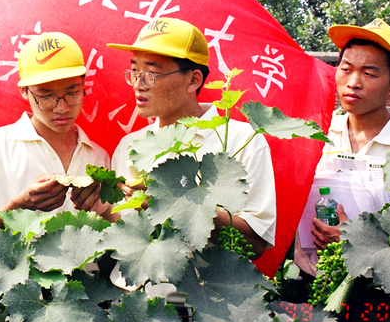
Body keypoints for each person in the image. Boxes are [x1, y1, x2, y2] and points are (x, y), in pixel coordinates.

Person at [107, 17, 276, 257]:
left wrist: (176, 202)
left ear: (193, 79)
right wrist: (99, 208)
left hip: (205, 291)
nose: (138, 84)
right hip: (133, 292)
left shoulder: (242, 140)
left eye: (151, 73)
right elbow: (123, 235)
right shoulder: (130, 146)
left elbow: (256, 243)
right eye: (134, 71)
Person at [0, 32, 112, 228]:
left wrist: (103, 210)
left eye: (72, 93)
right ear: (24, 91)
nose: (62, 108)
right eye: (46, 96)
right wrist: (18, 206)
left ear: (84, 84)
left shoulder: (99, 157)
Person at [295, 18, 390, 275]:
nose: (353, 83)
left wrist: (357, 242)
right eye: (346, 69)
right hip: (311, 285)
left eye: (369, 73)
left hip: (382, 295)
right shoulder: (315, 135)